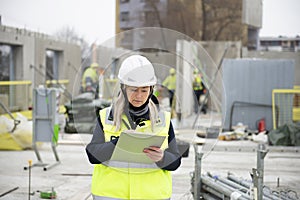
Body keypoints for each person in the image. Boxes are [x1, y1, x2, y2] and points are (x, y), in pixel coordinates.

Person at [85, 55, 182, 200]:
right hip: (111, 196)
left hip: (152, 196)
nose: (139, 96)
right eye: (133, 90)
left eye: (144, 90)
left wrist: (162, 157)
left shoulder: (163, 120)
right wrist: (117, 143)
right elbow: (92, 155)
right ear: (123, 88)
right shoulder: (107, 117)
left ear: (151, 89)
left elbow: (175, 161)